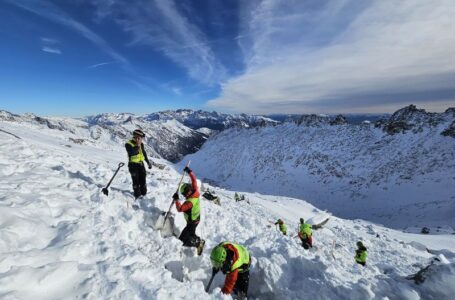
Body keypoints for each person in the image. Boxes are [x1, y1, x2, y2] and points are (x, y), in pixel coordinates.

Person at [172, 167, 205, 255]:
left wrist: (176, 200)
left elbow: (180, 209)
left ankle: (199, 242)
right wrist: (189, 172)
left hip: (192, 221)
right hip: (195, 219)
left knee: (186, 238)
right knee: (188, 233)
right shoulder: (195, 192)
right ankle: (194, 240)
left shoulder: (190, 202)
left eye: (184, 194)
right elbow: (194, 180)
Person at [125, 129, 152, 199]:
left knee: (143, 181)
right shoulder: (128, 144)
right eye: (140, 138)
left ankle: (144, 194)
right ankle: (137, 195)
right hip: (133, 165)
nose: (141, 140)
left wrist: (148, 162)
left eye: (141, 138)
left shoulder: (141, 144)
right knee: (136, 181)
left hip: (141, 165)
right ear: (136, 137)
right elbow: (132, 153)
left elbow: (144, 153)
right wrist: (137, 145)